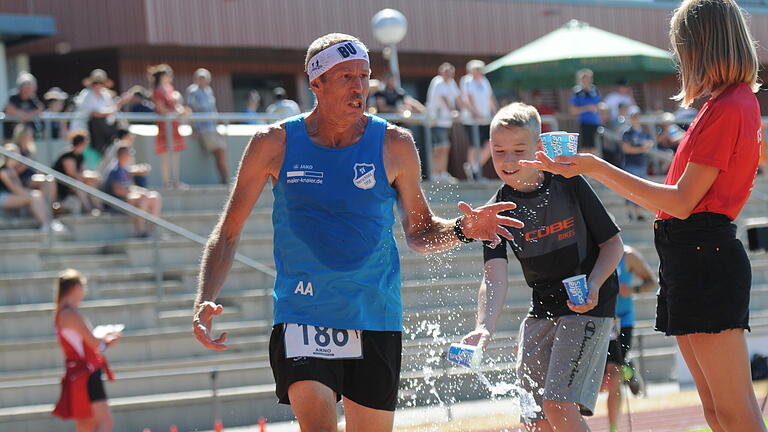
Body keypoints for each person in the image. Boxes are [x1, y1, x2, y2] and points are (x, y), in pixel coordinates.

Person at [192, 33, 523, 432]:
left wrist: (463, 229)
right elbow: (227, 233)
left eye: (364, 75)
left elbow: (419, 234)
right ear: (316, 84)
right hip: (304, 313)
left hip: (375, 316)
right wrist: (205, 299)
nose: (359, 87)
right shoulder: (274, 143)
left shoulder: (394, 143)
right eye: (345, 75)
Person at [521, 1, 766, 430]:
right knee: (716, 410)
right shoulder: (722, 104)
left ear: (702, 44)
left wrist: (595, 166)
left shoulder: (731, 105)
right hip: (690, 254)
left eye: (683, 46)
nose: (680, 57)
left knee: (733, 411)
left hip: (704, 252)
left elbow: (681, 201)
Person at [461, 102, 624, 432]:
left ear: (539, 147)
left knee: (558, 406)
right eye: (498, 151)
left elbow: (613, 245)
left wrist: (592, 285)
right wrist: (484, 327)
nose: (507, 160)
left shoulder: (568, 183)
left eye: (518, 150)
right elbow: (494, 275)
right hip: (543, 307)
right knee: (532, 415)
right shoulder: (495, 210)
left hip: (589, 302)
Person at [52, 269, 121, 432]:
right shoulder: (70, 314)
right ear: (75, 288)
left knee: (86, 425)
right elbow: (94, 343)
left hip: (76, 374)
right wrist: (107, 341)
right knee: (105, 422)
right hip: (87, 373)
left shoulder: (60, 313)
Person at [601, 244, 657, 432]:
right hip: (600, 321)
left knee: (613, 373)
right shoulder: (590, 254)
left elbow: (652, 281)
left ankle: (613, 428)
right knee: (605, 377)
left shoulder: (629, 256)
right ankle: (629, 369)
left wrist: (632, 290)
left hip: (623, 320)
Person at [102, 145, 161, 238]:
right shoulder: (114, 170)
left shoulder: (125, 169)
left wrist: (140, 191)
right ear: (123, 155)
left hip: (127, 198)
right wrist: (138, 193)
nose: (131, 156)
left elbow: (129, 187)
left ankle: (152, 231)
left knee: (154, 197)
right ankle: (140, 231)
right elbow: (118, 191)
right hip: (115, 203)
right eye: (129, 154)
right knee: (143, 199)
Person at [0, 143, 62, 232]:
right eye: (16, 155)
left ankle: (50, 221)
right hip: (3, 197)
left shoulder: (11, 169)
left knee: (36, 194)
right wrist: (30, 193)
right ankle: (46, 224)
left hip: (10, 195)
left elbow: (19, 187)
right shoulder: (3, 171)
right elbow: (14, 189)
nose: (19, 157)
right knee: (34, 196)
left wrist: (33, 193)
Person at [186, 68, 229, 184]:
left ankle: (225, 180)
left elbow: (213, 108)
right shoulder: (193, 91)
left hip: (213, 127)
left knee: (222, 153)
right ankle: (224, 180)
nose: (202, 81)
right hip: (204, 129)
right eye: (200, 78)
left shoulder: (209, 91)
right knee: (219, 152)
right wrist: (193, 128)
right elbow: (189, 109)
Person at [149, 64, 188, 188]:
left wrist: (182, 111)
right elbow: (161, 109)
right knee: (165, 155)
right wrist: (177, 112)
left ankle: (175, 180)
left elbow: (175, 105)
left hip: (173, 125)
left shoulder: (170, 89)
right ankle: (167, 182)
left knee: (175, 154)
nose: (171, 76)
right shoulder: (157, 91)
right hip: (165, 126)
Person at [460, 60, 497, 182]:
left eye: (480, 69)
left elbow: (490, 97)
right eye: (476, 69)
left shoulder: (484, 81)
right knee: (474, 145)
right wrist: (474, 113)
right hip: (472, 120)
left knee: (489, 144)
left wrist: (496, 112)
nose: (479, 72)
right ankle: (474, 173)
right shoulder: (466, 80)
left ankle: (474, 168)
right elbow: (468, 98)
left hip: (485, 119)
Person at [426, 62, 463, 182]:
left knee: (445, 147)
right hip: (437, 121)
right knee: (439, 147)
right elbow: (444, 98)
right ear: (441, 72)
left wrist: (465, 111)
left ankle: (442, 172)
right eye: (446, 72)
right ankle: (435, 173)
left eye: (451, 72)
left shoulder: (451, 83)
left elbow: (458, 97)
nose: (449, 75)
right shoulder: (438, 82)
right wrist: (453, 111)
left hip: (446, 122)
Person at [72, 69, 122, 154]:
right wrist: (111, 111)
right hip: (85, 130)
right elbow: (94, 113)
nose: (98, 85)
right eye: (95, 83)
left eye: (101, 83)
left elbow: (113, 110)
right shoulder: (86, 94)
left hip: (102, 131)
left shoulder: (105, 95)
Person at [52, 132, 101, 214]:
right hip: (61, 185)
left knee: (90, 183)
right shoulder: (67, 155)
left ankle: (99, 208)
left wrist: (90, 178)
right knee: (79, 185)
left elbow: (81, 172)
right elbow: (72, 174)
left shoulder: (80, 156)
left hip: (72, 183)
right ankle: (88, 209)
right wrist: (87, 177)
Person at [620, 108, 654, 221]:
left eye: (637, 117)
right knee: (630, 188)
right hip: (631, 164)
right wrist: (641, 149)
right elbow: (626, 149)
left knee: (641, 189)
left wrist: (644, 147)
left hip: (641, 164)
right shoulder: (627, 133)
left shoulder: (643, 132)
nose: (635, 119)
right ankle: (630, 211)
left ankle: (639, 212)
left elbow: (650, 143)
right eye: (633, 117)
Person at [3, 72, 44, 139]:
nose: (29, 90)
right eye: (27, 87)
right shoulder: (14, 97)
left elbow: (40, 109)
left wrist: (29, 115)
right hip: (11, 135)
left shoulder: (32, 99)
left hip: (27, 137)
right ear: (20, 87)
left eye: (30, 88)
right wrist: (22, 114)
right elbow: (8, 109)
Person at [570, 69, 601, 154]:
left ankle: (594, 166)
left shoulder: (595, 91)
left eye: (588, 78)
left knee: (596, 148)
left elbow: (599, 105)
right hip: (585, 124)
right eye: (584, 78)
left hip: (596, 123)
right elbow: (573, 110)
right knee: (585, 148)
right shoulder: (577, 93)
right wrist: (587, 108)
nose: (587, 81)